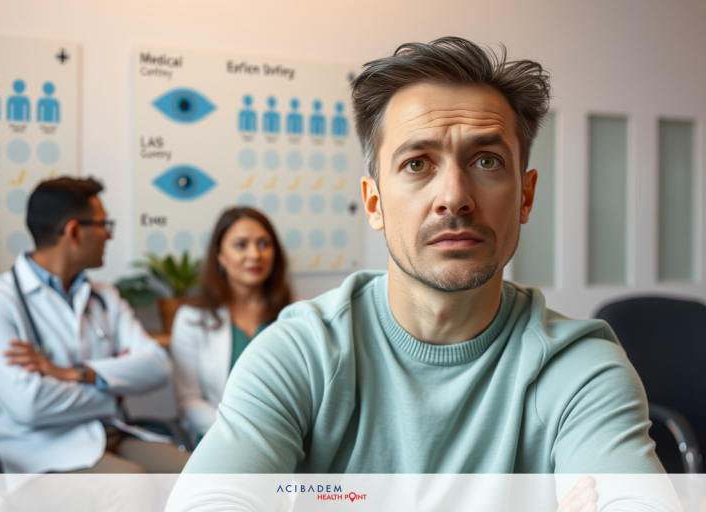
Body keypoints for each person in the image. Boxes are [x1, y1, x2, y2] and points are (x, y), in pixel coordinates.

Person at [167, 37, 669, 511]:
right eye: (417, 164)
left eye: (487, 160)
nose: (454, 196)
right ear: (374, 201)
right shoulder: (301, 352)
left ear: (526, 196)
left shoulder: (580, 370)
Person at [0, 177, 190, 482]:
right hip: (38, 452)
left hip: (111, 433)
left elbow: (158, 366)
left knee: (201, 476)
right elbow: (29, 404)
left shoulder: (105, 296)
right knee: (132, 484)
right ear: (74, 231)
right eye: (103, 225)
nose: (109, 236)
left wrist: (77, 374)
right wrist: (115, 392)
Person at [170, 206, 292, 442]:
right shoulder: (191, 318)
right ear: (220, 255)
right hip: (218, 440)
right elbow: (188, 401)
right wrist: (242, 433)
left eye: (264, 244)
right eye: (240, 245)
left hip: (284, 439)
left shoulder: (293, 316)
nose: (255, 254)